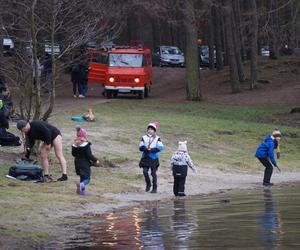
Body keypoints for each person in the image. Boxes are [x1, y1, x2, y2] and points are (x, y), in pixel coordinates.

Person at [72, 126, 99, 195]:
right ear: (84, 136)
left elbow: (73, 154)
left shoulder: (74, 144)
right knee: (87, 179)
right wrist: (95, 160)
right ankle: (81, 185)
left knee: (82, 177)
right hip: (84, 164)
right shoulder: (86, 145)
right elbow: (89, 155)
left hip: (77, 163)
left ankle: (82, 192)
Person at [138, 121, 164, 193]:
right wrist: (144, 148)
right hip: (145, 157)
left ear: (154, 130)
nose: (150, 130)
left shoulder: (157, 138)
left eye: (152, 129)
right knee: (145, 172)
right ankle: (148, 184)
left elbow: (161, 147)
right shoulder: (144, 137)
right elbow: (140, 146)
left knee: (153, 173)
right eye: (149, 129)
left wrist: (152, 150)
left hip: (153, 158)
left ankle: (155, 188)